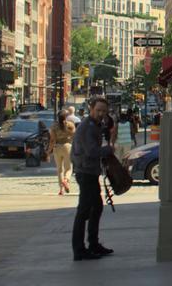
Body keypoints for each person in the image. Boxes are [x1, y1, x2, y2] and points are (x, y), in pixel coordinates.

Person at [70, 97, 115, 261]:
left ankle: (93, 244)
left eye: (104, 111)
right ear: (91, 109)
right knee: (84, 211)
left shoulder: (95, 125)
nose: (101, 114)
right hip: (85, 172)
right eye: (98, 110)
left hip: (90, 171)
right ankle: (79, 250)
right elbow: (91, 151)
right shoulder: (88, 127)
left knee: (96, 207)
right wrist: (109, 150)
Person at [48, 110, 76, 195]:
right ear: (66, 117)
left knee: (59, 169)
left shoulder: (54, 126)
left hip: (57, 147)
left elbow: (52, 140)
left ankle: (61, 190)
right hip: (68, 146)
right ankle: (66, 180)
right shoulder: (70, 125)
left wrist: (49, 151)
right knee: (69, 168)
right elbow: (75, 136)